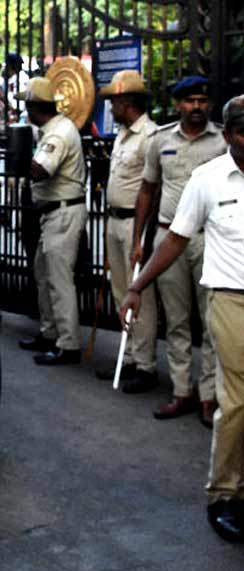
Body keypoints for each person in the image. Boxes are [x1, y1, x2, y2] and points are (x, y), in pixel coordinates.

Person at [120, 96, 244, 543]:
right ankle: (225, 494)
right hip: (231, 300)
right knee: (238, 401)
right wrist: (136, 287)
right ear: (228, 136)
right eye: (243, 132)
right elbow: (174, 240)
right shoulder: (207, 180)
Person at [133, 75, 227, 424]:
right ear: (178, 105)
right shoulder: (160, 141)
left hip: (209, 238)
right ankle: (181, 392)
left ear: (210, 105)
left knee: (212, 321)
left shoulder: (222, 140)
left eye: (202, 100)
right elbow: (146, 190)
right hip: (168, 237)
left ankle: (209, 396)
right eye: (189, 101)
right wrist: (137, 241)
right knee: (176, 321)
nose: (196, 107)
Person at [94, 70, 159, 394]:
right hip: (114, 220)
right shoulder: (122, 134)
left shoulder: (150, 135)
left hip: (136, 222)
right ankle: (130, 357)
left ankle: (145, 364)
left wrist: (141, 236)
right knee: (122, 291)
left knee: (140, 295)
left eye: (114, 101)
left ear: (127, 102)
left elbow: (153, 187)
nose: (110, 107)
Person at [16, 77, 87, 365]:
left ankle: (68, 344)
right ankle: (50, 332)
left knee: (58, 280)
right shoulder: (52, 130)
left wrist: (18, 154)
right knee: (43, 273)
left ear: (34, 106)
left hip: (62, 211)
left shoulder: (57, 134)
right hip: (54, 212)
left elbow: (40, 171)